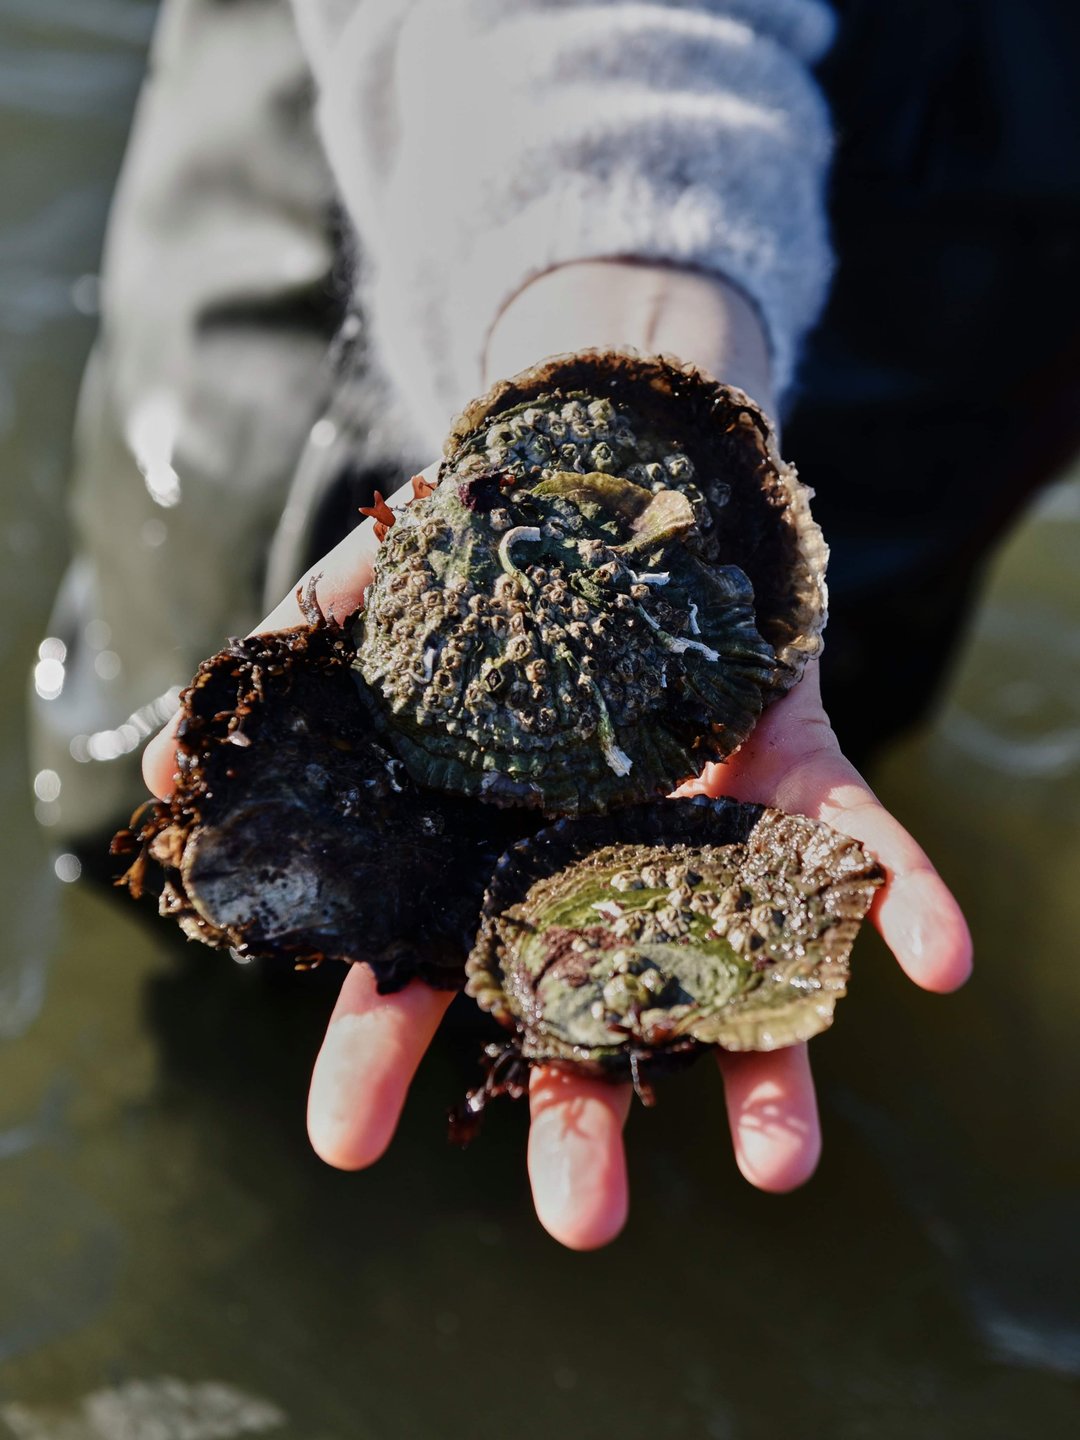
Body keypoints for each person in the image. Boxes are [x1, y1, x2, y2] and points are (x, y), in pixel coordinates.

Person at [45, 0, 1080, 1248]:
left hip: (988, 203)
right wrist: (621, 290)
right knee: (204, 828)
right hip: (458, 106)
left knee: (798, 728)